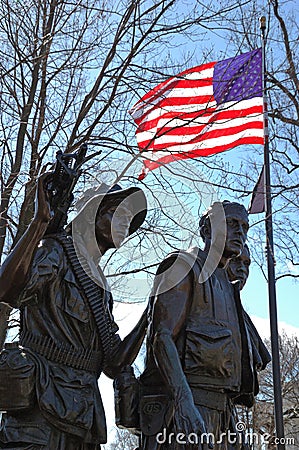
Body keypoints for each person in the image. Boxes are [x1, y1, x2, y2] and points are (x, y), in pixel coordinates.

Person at [0, 174, 147, 449]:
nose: (126, 222)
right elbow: (7, 291)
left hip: (82, 419)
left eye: (129, 217)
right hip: (40, 415)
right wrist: (39, 223)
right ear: (92, 213)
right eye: (118, 212)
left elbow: (114, 363)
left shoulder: (101, 289)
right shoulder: (55, 251)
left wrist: (151, 313)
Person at [138, 200, 262, 450]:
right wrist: (183, 402)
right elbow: (161, 338)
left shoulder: (228, 286)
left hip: (222, 413)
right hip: (186, 406)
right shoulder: (184, 267)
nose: (240, 232)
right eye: (231, 224)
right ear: (207, 230)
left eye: (244, 227)